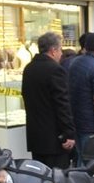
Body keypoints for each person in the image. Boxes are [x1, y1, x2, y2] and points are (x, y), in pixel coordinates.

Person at [21, 32, 76, 168]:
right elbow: (62, 104)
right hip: (54, 137)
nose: (61, 54)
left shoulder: (29, 68)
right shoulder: (55, 70)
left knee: (40, 177)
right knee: (56, 179)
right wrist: (68, 132)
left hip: (36, 135)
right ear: (53, 50)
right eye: (60, 50)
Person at [68, 32, 94, 165]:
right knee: (92, 162)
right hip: (91, 124)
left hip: (76, 119)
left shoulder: (75, 63)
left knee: (81, 157)